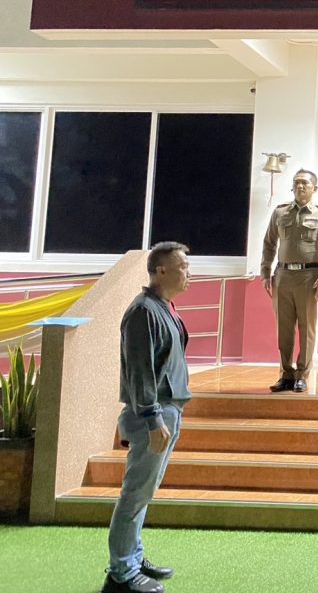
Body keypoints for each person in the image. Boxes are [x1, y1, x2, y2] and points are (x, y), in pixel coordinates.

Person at [103, 242, 191, 593]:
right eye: (182, 267)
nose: (188, 273)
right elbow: (140, 372)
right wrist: (154, 419)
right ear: (161, 271)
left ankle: (133, 557)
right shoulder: (143, 312)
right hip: (153, 415)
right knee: (135, 494)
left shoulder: (163, 308)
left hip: (168, 410)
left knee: (144, 492)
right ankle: (121, 573)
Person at [261, 169, 318, 393]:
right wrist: (265, 271)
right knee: (284, 328)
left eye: (305, 183)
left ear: (314, 188)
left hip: (309, 277)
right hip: (283, 276)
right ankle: (286, 374)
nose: (300, 186)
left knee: (307, 328)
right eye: (297, 182)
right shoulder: (280, 212)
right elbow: (269, 243)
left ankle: (302, 374)